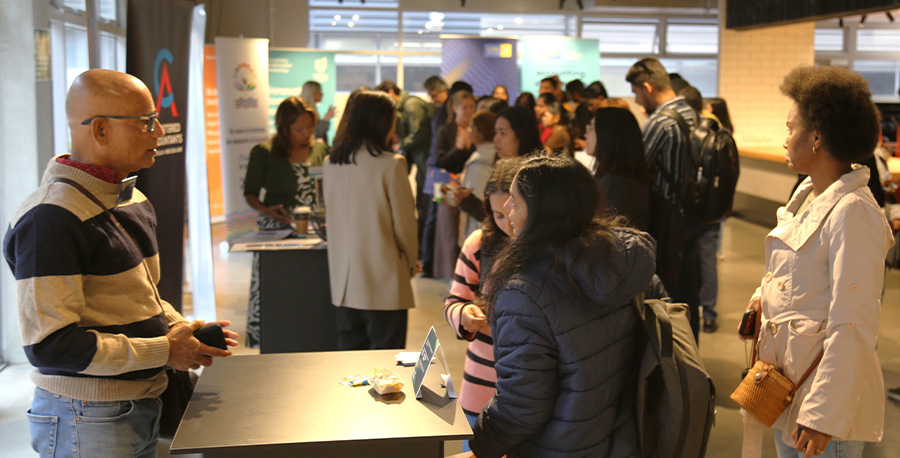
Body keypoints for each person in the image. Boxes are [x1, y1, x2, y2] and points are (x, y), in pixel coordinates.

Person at [3, 69, 237, 457]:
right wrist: (165, 350)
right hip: (87, 417)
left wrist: (181, 330)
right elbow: (51, 346)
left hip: (141, 402)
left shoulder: (129, 198)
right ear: (100, 130)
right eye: (146, 122)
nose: (160, 132)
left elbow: (139, 296)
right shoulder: (50, 219)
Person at [741, 65, 890, 458]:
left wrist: (825, 413)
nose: (785, 137)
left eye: (791, 128)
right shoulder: (812, 196)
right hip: (788, 387)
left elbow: (853, 321)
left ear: (817, 137)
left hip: (818, 403)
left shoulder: (853, 212)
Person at [469, 155, 657, 458]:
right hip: (623, 439)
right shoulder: (623, 264)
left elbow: (521, 404)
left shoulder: (524, 294)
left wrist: (481, 446)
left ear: (545, 212)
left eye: (515, 203)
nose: (506, 210)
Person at [324, 91, 418, 350]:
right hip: (384, 280)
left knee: (350, 365)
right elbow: (405, 226)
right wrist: (412, 260)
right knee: (386, 367)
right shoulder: (392, 165)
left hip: (343, 285)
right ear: (381, 122)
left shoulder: (331, 163)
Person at [442, 158, 521, 453]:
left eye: (513, 212)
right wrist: (464, 314)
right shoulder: (479, 244)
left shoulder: (547, 250)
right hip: (481, 383)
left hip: (529, 388)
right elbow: (454, 300)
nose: (508, 224)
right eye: (498, 215)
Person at [626, 57, 700, 340]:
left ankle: (675, 356)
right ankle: (692, 351)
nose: (637, 100)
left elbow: (638, 166)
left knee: (669, 292)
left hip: (668, 220)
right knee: (689, 292)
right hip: (692, 216)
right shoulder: (693, 114)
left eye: (636, 93)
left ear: (647, 87)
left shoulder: (660, 122)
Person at [243, 96, 323, 347]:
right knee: (276, 287)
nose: (306, 133)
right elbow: (251, 193)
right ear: (284, 127)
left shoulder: (321, 150)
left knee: (312, 283)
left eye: (310, 127)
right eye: (299, 129)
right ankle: (274, 336)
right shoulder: (265, 153)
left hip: (316, 230)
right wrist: (267, 211)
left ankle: (313, 334)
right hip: (277, 228)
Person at [433, 90, 477, 279]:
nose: (468, 111)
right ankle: (451, 278)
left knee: (468, 234)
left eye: (472, 107)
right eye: (464, 107)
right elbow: (440, 161)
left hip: (471, 187)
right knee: (449, 234)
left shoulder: (477, 130)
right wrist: (458, 149)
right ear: (455, 108)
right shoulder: (446, 130)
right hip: (449, 187)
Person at [587, 107, 651, 232]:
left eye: (591, 128)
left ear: (608, 135)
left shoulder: (618, 187)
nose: (586, 134)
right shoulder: (618, 180)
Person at [447, 111, 497, 239]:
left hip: (479, 233)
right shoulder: (490, 154)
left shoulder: (480, 161)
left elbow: (478, 199)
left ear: (480, 131)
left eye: (471, 127)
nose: (468, 131)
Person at [299, 80, 336, 145]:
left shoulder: (307, 109)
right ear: (313, 93)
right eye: (319, 91)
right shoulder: (306, 111)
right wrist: (325, 119)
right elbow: (314, 133)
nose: (322, 94)